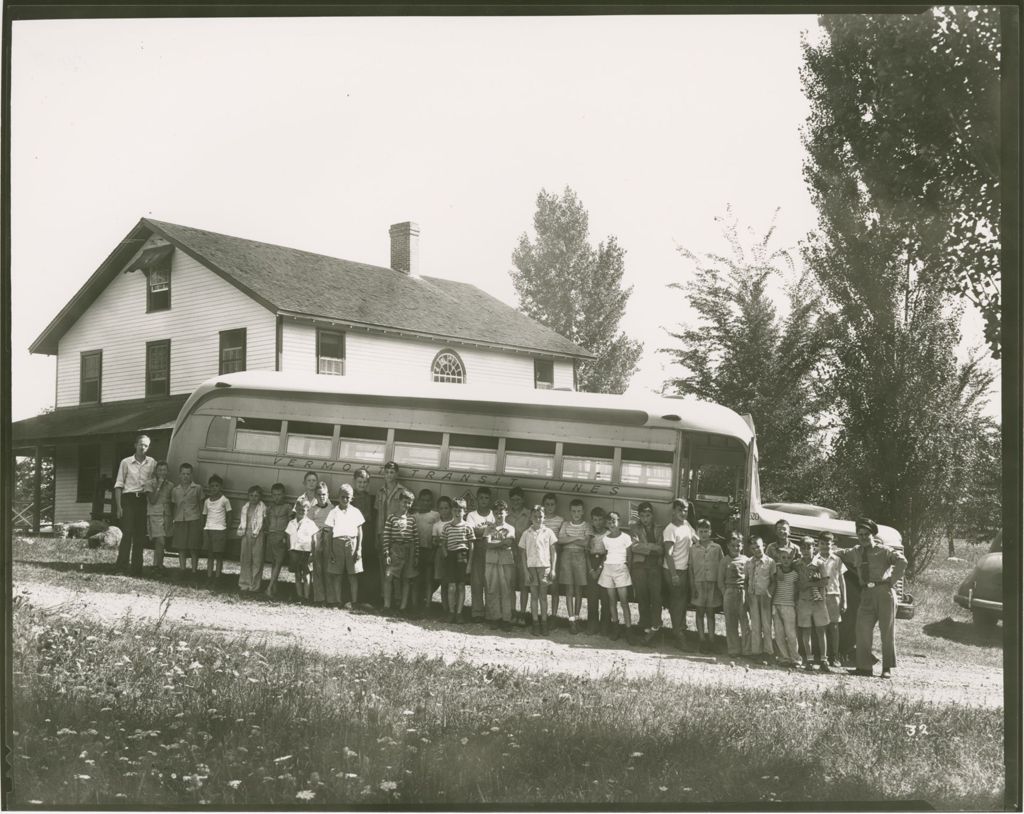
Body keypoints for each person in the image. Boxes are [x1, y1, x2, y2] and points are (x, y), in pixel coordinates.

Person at [835, 518, 907, 678]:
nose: (863, 537)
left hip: (884, 593)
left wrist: (892, 580)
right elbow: (838, 553)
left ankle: (886, 668)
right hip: (866, 594)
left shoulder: (884, 550)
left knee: (886, 632)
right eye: (860, 534)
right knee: (862, 630)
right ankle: (864, 667)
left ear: (872, 535)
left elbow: (902, 561)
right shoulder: (856, 551)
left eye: (866, 534)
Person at [113, 434, 157, 576]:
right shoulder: (126, 462)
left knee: (140, 536)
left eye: (145, 445)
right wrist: (119, 507)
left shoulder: (152, 463)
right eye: (140, 444)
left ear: (148, 447)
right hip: (129, 500)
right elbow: (119, 485)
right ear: (135, 445)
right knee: (127, 534)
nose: (142, 447)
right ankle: (121, 567)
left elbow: (155, 483)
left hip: (143, 501)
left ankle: (137, 569)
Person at [628, 501, 664, 646]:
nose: (645, 519)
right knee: (642, 597)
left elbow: (661, 549)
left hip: (655, 567)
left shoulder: (660, 529)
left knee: (656, 598)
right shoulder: (634, 528)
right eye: (642, 516)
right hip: (640, 566)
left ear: (652, 515)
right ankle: (645, 627)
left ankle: (656, 627)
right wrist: (652, 548)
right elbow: (634, 547)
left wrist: (648, 547)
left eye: (648, 515)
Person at [663, 497, 696, 651]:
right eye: (680, 510)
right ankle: (678, 637)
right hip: (674, 570)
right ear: (674, 511)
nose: (683, 513)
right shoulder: (670, 529)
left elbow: (696, 539)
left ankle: (679, 630)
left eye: (685, 510)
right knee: (677, 603)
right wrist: (674, 574)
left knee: (682, 603)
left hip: (684, 569)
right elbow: (668, 554)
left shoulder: (686, 525)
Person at [519, 504, 558, 636]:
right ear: (531, 517)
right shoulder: (526, 533)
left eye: (540, 516)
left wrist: (552, 569)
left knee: (543, 597)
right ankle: (535, 623)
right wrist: (525, 572)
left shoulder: (548, 532)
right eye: (535, 516)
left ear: (544, 517)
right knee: (534, 596)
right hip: (531, 568)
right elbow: (523, 554)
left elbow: (553, 552)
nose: (538, 519)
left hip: (544, 567)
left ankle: (544, 623)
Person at [325, 483, 365, 609]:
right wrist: (330, 550)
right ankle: (338, 601)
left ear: (351, 498)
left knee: (352, 575)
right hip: (337, 544)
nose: (345, 500)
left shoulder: (355, 512)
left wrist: (358, 549)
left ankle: (354, 602)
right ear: (338, 497)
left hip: (351, 544)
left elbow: (360, 532)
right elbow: (330, 533)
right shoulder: (333, 512)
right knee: (337, 575)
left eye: (348, 497)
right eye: (343, 497)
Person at [597, 510, 633, 641]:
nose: (612, 524)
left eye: (614, 521)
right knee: (612, 601)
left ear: (619, 522)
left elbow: (629, 555)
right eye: (609, 522)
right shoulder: (605, 538)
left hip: (621, 569)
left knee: (624, 601)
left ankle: (629, 630)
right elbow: (605, 554)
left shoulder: (625, 537)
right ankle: (616, 628)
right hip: (608, 569)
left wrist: (627, 568)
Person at [795, 536, 830, 673]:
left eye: (808, 547)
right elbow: (795, 581)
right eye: (803, 547)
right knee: (806, 631)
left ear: (813, 548)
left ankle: (823, 659)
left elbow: (825, 581)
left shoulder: (820, 563)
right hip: (804, 601)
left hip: (818, 601)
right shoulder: (797, 564)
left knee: (821, 630)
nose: (805, 550)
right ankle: (809, 659)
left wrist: (809, 584)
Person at [382, 488, 419, 614]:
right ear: (399, 501)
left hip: (409, 549)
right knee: (389, 576)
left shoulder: (412, 519)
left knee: (406, 578)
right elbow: (386, 536)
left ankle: (403, 607)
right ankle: (387, 605)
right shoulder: (391, 518)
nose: (406, 505)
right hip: (395, 549)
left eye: (409, 503)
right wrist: (386, 552)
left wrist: (416, 556)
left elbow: (415, 538)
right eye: (404, 502)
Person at [690, 518, 724, 653]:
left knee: (710, 613)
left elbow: (721, 567)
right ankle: (702, 640)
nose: (703, 534)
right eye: (701, 531)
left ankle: (711, 640)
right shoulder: (693, 548)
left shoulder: (717, 548)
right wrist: (692, 588)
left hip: (712, 584)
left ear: (710, 532)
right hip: (699, 583)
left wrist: (720, 586)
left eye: (706, 531)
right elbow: (691, 570)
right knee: (699, 612)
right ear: (697, 532)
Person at [557, 498, 590, 634]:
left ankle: (577, 617)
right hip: (566, 557)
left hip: (580, 558)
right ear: (570, 512)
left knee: (578, 590)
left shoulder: (587, 525)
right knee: (569, 590)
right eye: (574, 511)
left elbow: (586, 543)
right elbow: (560, 540)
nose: (576, 513)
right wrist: (577, 539)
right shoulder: (565, 524)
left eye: (579, 511)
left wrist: (570, 539)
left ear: (583, 512)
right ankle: (571, 620)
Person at [375, 462, 407, 603]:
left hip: (396, 536)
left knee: (396, 569)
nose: (389, 475)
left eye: (392, 472)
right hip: (383, 533)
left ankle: (397, 599)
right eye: (387, 472)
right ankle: (384, 598)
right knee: (383, 567)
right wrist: (377, 535)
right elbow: (378, 514)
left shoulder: (402, 491)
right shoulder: (380, 491)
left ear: (397, 474)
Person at [485, 500, 517, 630]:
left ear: (506, 513)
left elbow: (509, 542)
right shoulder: (489, 528)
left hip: (505, 561)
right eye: (496, 513)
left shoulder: (510, 528)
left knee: (506, 589)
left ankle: (506, 619)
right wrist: (500, 543)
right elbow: (486, 544)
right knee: (492, 588)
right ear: (493, 513)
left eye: (501, 512)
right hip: (491, 561)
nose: (499, 515)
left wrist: (495, 543)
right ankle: (495, 617)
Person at [441, 497, 474, 623]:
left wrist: (469, 563)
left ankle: (459, 613)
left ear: (465, 511)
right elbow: (443, 543)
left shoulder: (468, 527)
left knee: (461, 586)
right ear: (452, 511)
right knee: (451, 587)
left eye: (460, 510)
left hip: (463, 557)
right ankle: (451, 612)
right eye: (455, 509)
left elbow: (471, 546)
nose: (457, 512)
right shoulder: (447, 527)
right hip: (451, 556)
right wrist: (446, 555)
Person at [718, 532, 750, 658]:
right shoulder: (724, 561)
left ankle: (747, 649)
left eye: (738, 545)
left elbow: (749, 578)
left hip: (742, 591)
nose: (735, 548)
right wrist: (725, 592)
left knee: (745, 621)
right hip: (729, 592)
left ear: (742, 546)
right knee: (731, 622)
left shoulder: (746, 560)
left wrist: (747, 593)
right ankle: (733, 649)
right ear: (728, 546)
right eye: (732, 545)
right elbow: (720, 580)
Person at [817, 532, 847, 668]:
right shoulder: (814, 559)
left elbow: (841, 580)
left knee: (834, 626)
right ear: (818, 545)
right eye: (822, 544)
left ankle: (835, 655)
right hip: (819, 596)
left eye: (828, 544)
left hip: (834, 595)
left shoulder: (837, 559)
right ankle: (822, 656)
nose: (825, 546)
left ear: (832, 544)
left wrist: (844, 599)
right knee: (820, 626)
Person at [744, 537, 775, 664]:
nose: (756, 550)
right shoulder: (749, 562)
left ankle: (769, 652)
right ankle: (756, 652)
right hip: (753, 596)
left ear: (764, 545)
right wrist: (747, 595)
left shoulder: (770, 562)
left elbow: (773, 581)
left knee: (766, 625)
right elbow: (746, 580)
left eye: (758, 546)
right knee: (755, 625)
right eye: (753, 548)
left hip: (765, 597)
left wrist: (768, 594)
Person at [466, 487, 496, 623]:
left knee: (490, 582)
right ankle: (477, 612)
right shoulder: (471, 515)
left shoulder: (493, 514)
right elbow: (471, 532)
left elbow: (497, 532)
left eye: (486, 498)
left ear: (490, 500)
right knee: (477, 582)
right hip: (477, 549)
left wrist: (481, 531)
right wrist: (488, 530)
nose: (484, 500)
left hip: (491, 549)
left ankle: (490, 613)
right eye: (481, 498)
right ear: (477, 499)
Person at [305, 481, 336, 606]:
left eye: (324, 494)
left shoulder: (333, 509)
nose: (322, 497)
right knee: (317, 568)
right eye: (319, 495)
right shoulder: (312, 510)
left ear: (327, 495)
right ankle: (319, 597)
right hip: (316, 538)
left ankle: (330, 599)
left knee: (328, 569)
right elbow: (308, 526)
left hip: (329, 538)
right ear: (316, 496)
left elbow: (335, 526)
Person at [351, 468, 378, 607]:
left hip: (367, 534)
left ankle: (365, 599)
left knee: (367, 566)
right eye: (360, 482)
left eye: (365, 482)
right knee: (353, 567)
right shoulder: (350, 498)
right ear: (355, 481)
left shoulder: (371, 498)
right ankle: (352, 598)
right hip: (353, 534)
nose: (362, 484)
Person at [171, 462, 204, 574]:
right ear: (180, 475)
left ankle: (194, 570)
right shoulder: (176, 490)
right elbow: (175, 506)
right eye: (183, 474)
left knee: (193, 547)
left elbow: (201, 505)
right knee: (181, 546)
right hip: (180, 520)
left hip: (194, 519)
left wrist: (201, 521)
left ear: (192, 475)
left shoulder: (197, 488)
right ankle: (182, 569)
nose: (186, 476)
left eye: (188, 474)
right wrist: (174, 519)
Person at [413, 489, 441, 615]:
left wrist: (435, 550)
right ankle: (414, 605)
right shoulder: (414, 516)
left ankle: (428, 605)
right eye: (423, 500)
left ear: (432, 502)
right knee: (416, 579)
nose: (425, 503)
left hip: (430, 551)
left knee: (429, 580)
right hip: (417, 551)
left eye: (428, 500)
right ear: (419, 501)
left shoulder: (435, 515)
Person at [507, 488, 532, 625]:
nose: (515, 502)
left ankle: (522, 614)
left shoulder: (528, 515)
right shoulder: (506, 515)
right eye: (513, 500)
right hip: (509, 553)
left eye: (518, 499)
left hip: (524, 555)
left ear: (523, 500)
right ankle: (512, 612)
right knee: (511, 585)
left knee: (524, 585)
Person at [772, 548, 801, 668]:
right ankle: (784, 657)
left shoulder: (795, 575)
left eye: (789, 558)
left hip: (789, 605)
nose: (786, 560)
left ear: (792, 559)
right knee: (778, 633)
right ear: (779, 558)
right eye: (783, 558)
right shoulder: (776, 572)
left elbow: (797, 591)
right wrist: (778, 568)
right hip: (776, 604)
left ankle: (795, 658)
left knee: (791, 633)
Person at [264, 483, 293, 599]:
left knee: (279, 562)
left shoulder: (287, 507)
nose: (277, 497)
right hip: (272, 536)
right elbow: (267, 521)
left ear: (284, 495)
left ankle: (269, 588)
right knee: (274, 562)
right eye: (274, 495)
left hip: (281, 537)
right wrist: (270, 531)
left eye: (279, 494)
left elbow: (290, 523)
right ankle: (274, 587)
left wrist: (286, 537)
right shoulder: (270, 508)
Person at [236, 486, 267, 592]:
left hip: (258, 534)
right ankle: (244, 583)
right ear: (248, 496)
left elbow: (265, 522)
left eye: (256, 496)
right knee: (245, 559)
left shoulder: (263, 507)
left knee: (257, 560)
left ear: (260, 497)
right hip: (246, 533)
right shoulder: (245, 507)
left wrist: (259, 531)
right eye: (251, 495)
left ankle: (254, 585)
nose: (254, 498)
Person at [201, 474, 232, 581]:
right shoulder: (207, 501)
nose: (214, 488)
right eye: (212, 486)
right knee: (210, 555)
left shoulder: (225, 500)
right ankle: (209, 576)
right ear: (209, 487)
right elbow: (204, 515)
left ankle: (218, 577)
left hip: (220, 530)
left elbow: (229, 516)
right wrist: (204, 528)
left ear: (221, 487)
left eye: (217, 486)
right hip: (209, 529)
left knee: (218, 555)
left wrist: (226, 530)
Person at [145, 460, 174, 574]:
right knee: (160, 540)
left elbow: (172, 502)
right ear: (156, 471)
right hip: (155, 514)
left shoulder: (171, 485)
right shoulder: (149, 483)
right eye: (160, 470)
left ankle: (157, 564)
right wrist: (159, 486)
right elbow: (152, 500)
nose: (162, 472)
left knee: (162, 541)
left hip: (166, 515)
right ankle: (159, 565)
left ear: (167, 471)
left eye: (165, 470)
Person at [585, 506, 610, 635]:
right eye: (595, 520)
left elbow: (608, 554)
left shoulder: (608, 534)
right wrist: (590, 570)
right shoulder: (590, 535)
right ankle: (592, 624)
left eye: (600, 519)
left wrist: (599, 568)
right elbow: (586, 552)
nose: (598, 522)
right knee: (592, 596)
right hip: (592, 563)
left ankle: (605, 625)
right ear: (592, 521)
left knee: (605, 596)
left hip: (604, 564)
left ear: (605, 520)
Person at [541, 493, 565, 618]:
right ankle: (543, 614)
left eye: (552, 504)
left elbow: (560, 539)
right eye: (547, 504)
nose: (549, 507)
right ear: (543, 505)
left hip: (554, 553)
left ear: (556, 505)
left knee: (554, 587)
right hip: (541, 555)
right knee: (543, 586)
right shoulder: (540, 519)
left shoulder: (560, 520)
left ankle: (554, 616)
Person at [431, 496, 454, 616]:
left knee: (453, 582)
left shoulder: (454, 522)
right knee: (443, 582)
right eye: (441, 508)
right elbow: (435, 541)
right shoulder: (437, 525)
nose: (444, 511)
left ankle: (453, 608)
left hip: (453, 552)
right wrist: (442, 541)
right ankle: (445, 608)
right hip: (441, 554)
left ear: (451, 509)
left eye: (446, 508)